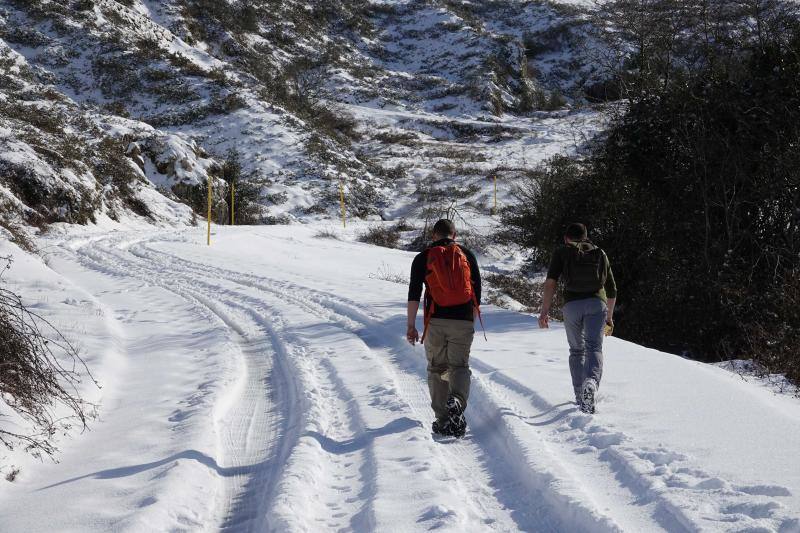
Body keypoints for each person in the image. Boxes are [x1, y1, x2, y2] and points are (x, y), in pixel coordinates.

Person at [406, 219, 481, 438]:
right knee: (459, 366)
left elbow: (414, 294)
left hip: (436, 321)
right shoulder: (467, 254)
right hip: (463, 320)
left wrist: (411, 326)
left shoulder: (423, 257)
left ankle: (442, 420)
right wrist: (470, 324)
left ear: (433, 235)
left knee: (437, 367)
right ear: (454, 235)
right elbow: (477, 294)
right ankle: (457, 400)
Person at [538, 223, 616, 414]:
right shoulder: (600, 253)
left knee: (576, 350)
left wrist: (544, 312)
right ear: (586, 236)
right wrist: (609, 317)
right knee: (594, 347)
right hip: (597, 304)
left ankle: (580, 394)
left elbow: (550, 284)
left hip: (572, 306)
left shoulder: (562, 252)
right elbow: (612, 289)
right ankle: (591, 382)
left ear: (567, 238)